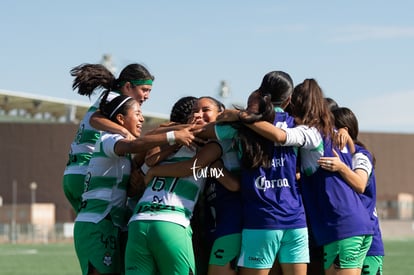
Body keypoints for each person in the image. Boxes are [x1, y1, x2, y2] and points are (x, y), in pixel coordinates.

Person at [219, 78, 374, 275]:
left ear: (293, 103)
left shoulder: (310, 132)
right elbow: (352, 147)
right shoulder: (329, 132)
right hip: (340, 224)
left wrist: (242, 116)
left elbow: (279, 136)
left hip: (341, 224)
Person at [73, 94, 196, 275]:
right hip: (96, 224)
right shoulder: (108, 139)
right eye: (137, 113)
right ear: (121, 119)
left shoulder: (122, 155)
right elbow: (133, 146)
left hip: (112, 223)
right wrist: (173, 136)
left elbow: (133, 183)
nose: (142, 118)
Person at [124, 97, 238, 275]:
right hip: (172, 220)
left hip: (139, 221)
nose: (198, 114)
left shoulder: (179, 141)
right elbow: (190, 167)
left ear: (220, 114)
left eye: (205, 110)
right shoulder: (199, 143)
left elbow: (151, 158)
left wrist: (155, 169)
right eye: (194, 111)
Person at [63, 63, 154, 215]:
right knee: (106, 228)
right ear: (127, 87)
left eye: (149, 91)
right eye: (144, 90)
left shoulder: (110, 97)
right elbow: (95, 119)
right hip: (87, 175)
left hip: (75, 174)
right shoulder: (115, 98)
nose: (147, 96)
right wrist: (125, 131)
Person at [318, 107, 384, 275]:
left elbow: (360, 184)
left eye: (331, 128)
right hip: (354, 234)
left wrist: (341, 167)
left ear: (344, 130)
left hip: (366, 237)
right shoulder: (340, 155)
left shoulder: (360, 155)